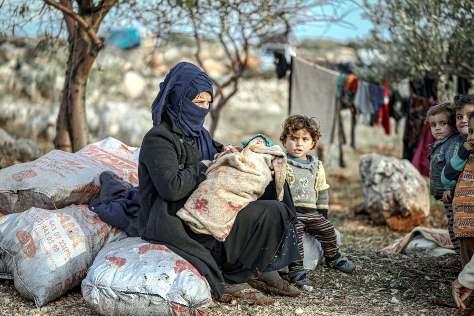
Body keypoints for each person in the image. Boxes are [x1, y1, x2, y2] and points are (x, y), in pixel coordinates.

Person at [131, 62, 301, 305]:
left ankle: (267, 269)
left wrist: (243, 155)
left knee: (274, 202)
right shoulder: (158, 139)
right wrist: (203, 166)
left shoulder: (199, 134)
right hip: (176, 219)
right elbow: (171, 188)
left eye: (207, 103)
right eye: (198, 102)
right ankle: (233, 277)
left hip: (209, 209)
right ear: (178, 99)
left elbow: (217, 153)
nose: (204, 109)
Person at [279, 115, 354, 290]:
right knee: (295, 236)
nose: (299, 144)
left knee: (328, 230)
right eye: (294, 138)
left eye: (305, 139)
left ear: (313, 143)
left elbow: (322, 190)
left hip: (311, 213)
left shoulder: (317, 166)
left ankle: (333, 256)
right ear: (284, 140)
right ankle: (296, 270)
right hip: (291, 213)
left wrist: (323, 215)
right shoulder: (281, 162)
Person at [441, 95, 474, 256]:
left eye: (469, 115)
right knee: (456, 228)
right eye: (459, 117)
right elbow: (448, 173)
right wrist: (448, 186)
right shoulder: (457, 144)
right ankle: (461, 258)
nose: (464, 120)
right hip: (456, 197)